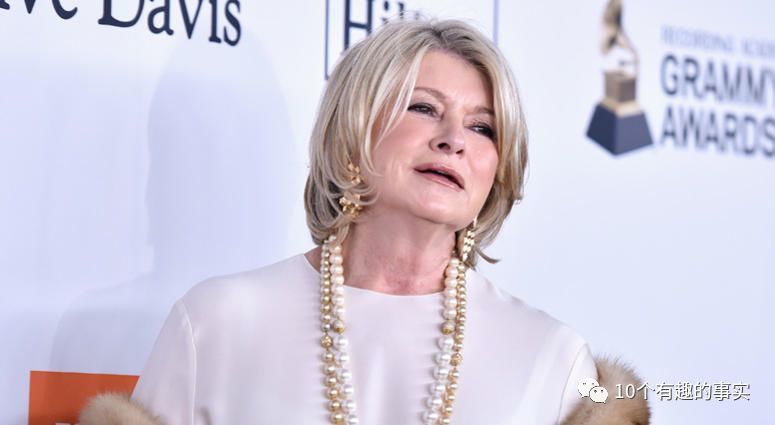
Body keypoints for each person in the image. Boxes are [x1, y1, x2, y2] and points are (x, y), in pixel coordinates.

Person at [80, 16, 649, 425]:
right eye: (424, 108)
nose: (454, 139)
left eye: (483, 128)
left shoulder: (550, 354)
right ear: (353, 129)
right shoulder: (215, 323)